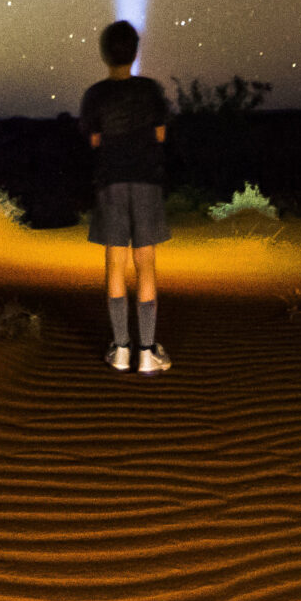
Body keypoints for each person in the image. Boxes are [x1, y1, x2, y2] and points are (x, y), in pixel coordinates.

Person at [78, 19, 171, 373]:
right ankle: (147, 352)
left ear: (105, 54)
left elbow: (94, 140)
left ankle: (120, 349)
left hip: (111, 183)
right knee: (145, 262)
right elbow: (161, 136)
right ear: (135, 52)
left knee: (115, 263)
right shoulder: (151, 90)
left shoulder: (95, 95)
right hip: (146, 182)